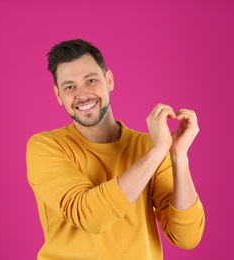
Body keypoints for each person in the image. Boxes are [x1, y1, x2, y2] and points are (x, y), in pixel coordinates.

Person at [26, 39, 205, 259]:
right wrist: (158, 151)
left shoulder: (148, 147)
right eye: (69, 86)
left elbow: (187, 237)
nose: (82, 94)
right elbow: (89, 216)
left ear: (109, 80)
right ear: (58, 96)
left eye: (91, 80)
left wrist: (178, 155)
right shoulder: (46, 147)